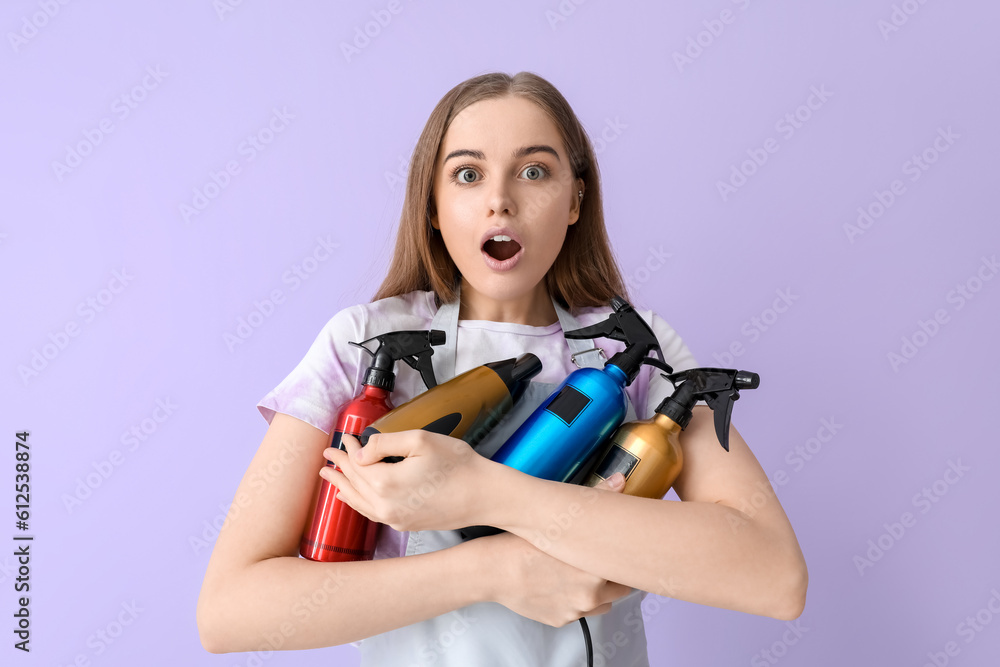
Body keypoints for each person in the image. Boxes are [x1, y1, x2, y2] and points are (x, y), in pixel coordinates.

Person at [196, 71, 808, 666]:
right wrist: (495, 570)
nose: (500, 200)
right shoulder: (361, 343)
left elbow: (773, 577)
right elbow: (229, 612)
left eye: (534, 171)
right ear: (432, 207)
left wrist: (488, 491)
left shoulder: (640, 349)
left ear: (575, 200)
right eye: (467, 174)